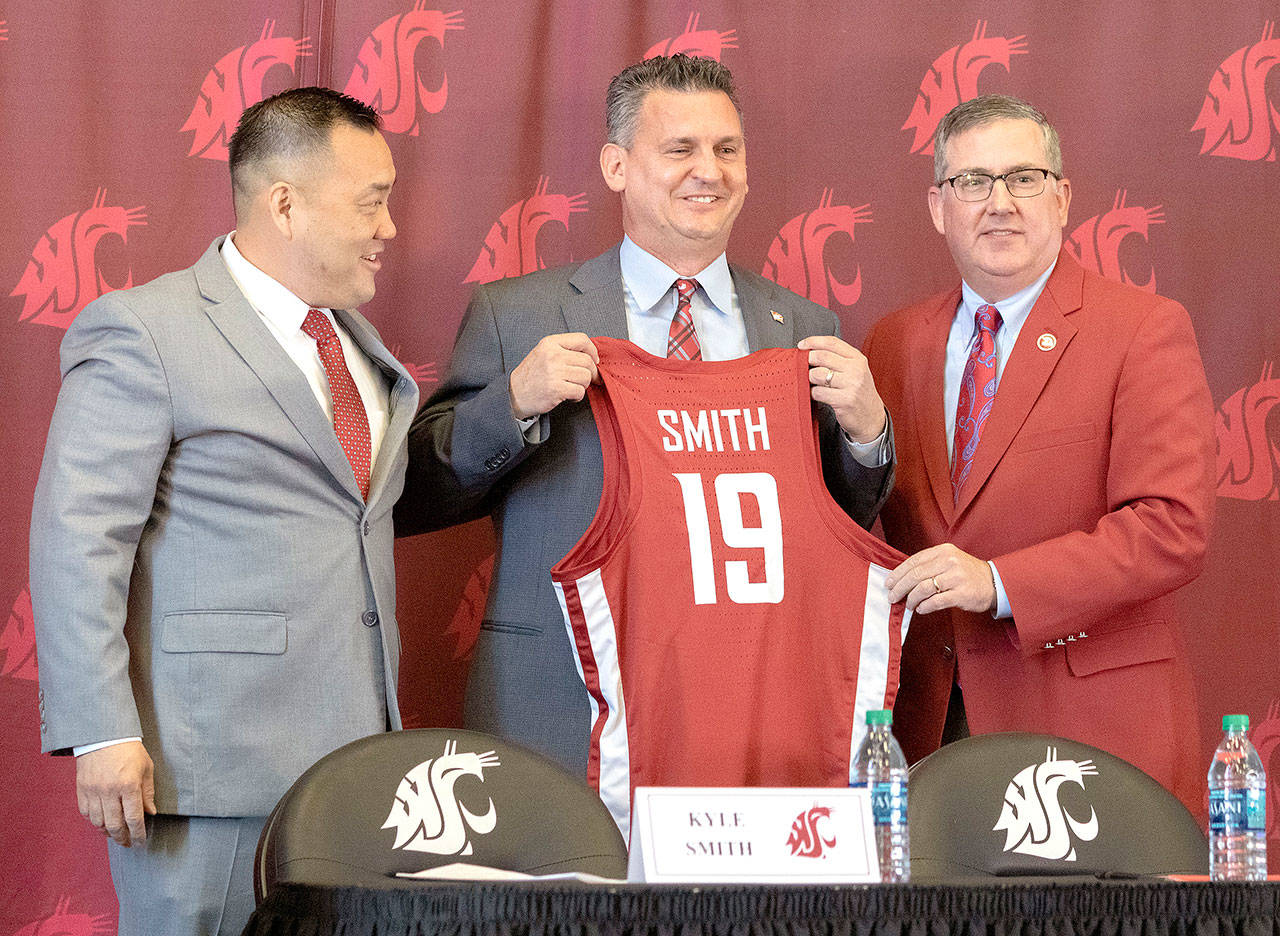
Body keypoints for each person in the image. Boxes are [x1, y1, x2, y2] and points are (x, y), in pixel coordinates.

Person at [396, 54, 894, 776]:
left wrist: (866, 432)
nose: (709, 171)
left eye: (727, 150)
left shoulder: (803, 325)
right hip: (565, 696)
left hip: (748, 696)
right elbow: (417, 491)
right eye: (680, 149)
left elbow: (836, 521)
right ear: (617, 166)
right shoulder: (518, 314)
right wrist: (511, 406)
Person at [30, 87, 416, 935]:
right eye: (373, 201)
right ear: (286, 202)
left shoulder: (357, 343)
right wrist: (100, 733)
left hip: (356, 778)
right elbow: (78, 538)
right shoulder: (145, 330)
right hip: (205, 778)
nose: (390, 228)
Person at [863, 94, 1215, 817]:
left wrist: (996, 581)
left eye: (1024, 178)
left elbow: (1172, 527)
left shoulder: (1143, 329)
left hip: (1090, 729)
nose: (1000, 203)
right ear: (938, 207)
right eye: (973, 182)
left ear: (1061, 199)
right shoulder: (892, 343)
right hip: (932, 728)